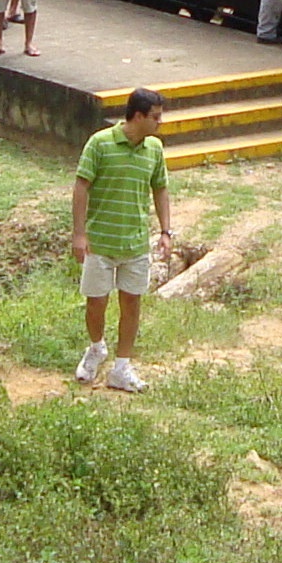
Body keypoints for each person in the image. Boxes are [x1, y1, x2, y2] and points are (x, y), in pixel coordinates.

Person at [71, 86, 175, 394]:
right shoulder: (100, 144)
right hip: (100, 243)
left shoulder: (154, 149)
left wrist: (166, 231)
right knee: (96, 303)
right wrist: (79, 234)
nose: (160, 123)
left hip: (135, 243)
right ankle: (96, 348)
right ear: (139, 116)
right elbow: (81, 187)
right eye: (155, 117)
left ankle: (121, 367)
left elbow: (160, 188)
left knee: (132, 303)